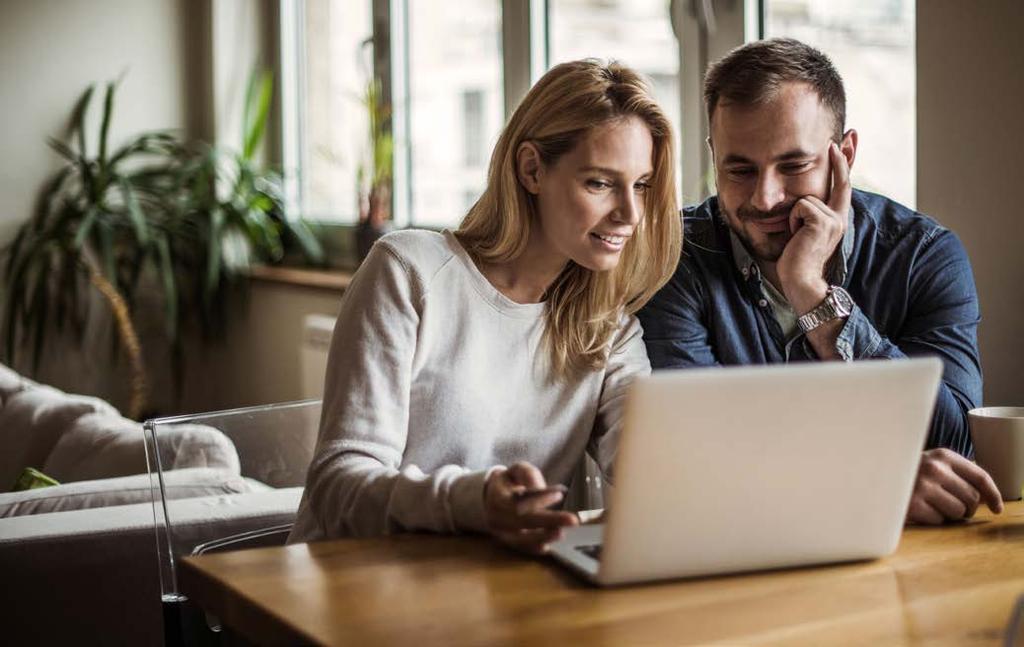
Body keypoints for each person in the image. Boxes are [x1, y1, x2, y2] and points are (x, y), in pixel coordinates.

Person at [289, 60, 681, 554]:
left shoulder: (609, 326)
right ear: (531, 169)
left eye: (641, 185)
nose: (630, 213)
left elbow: (646, 464)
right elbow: (337, 487)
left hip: (498, 593)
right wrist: (472, 503)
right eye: (600, 183)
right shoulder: (409, 272)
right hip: (352, 587)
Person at [637, 38, 1003, 526]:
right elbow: (694, 456)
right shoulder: (674, 255)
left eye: (793, 166)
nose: (765, 198)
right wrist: (875, 481)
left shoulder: (923, 256)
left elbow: (956, 446)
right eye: (740, 169)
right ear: (713, 156)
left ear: (844, 154)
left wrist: (812, 293)